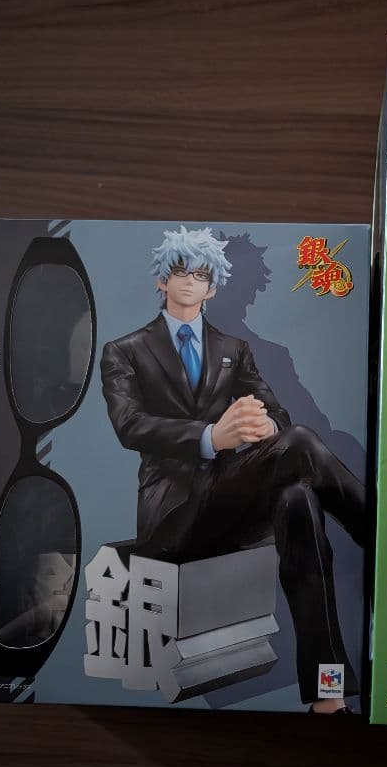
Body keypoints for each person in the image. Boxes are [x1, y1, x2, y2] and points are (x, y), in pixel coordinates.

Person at [100, 226, 366, 712]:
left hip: (232, 505)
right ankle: (384, 540)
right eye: (179, 272)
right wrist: (211, 437)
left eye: (201, 275)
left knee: (298, 499)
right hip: (175, 516)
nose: (189, 282)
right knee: (302, 442)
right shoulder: (124, 351)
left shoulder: (234, 349)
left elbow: (277, 412)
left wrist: (263, 425)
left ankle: (327, 694)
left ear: (212, 288)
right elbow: (129, 425)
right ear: (161, 280)